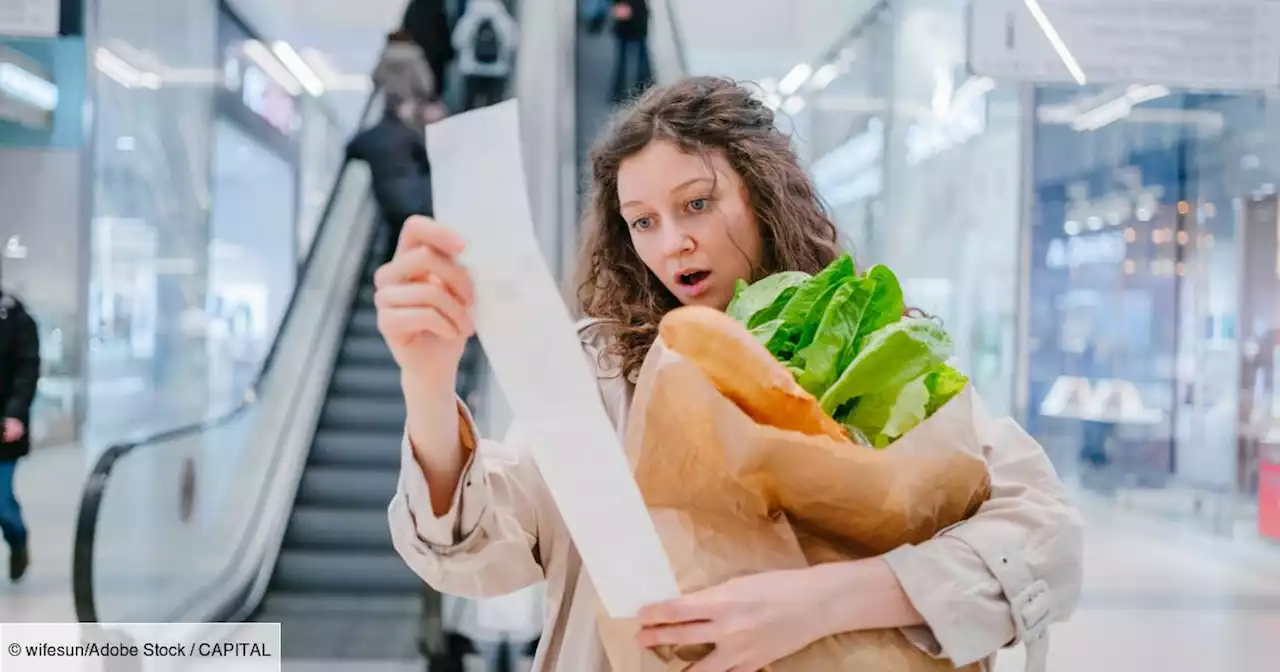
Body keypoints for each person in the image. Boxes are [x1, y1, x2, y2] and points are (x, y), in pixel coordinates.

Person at [381, 77, 1084, 672]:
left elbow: (1043, 537)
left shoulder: (873, 344)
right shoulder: (600, 371)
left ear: (763, 192)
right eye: (642, 221)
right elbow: (479, 552)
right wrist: (427, 385)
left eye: (696, 203)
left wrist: (826, 601)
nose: (673, 241)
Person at [346, 93, 448, 265]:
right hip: (415, 199)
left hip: (388, 200)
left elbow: (350, 149)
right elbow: (428, 160)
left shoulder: (372, 135)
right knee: (414, 236)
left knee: (396, 237)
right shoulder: (407, 134)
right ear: (401, 109)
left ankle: (390, 273)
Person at [0, 289, 39, 583]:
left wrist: (15, 414)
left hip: (4, 428)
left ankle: (17, 538)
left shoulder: (16, 318)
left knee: (1, 502)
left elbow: (27, 370)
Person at [451, 0, 519, 110]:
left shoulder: (470, 15)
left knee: (469, 111)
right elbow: (512, 43)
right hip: (497, 71)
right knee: (494, 111)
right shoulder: (502, 16)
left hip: (471, 71)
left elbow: (457, 41)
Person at [401, 0, 456, 96]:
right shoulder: (438, 5)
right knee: (433, 88)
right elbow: (443, 30)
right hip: (435, 55)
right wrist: (449, 52)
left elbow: (406, 28)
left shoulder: (414, 5)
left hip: (417, 53)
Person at [372, 30, 438, 108]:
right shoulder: (415, 57)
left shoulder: (385, 58)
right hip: (413, 103)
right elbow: (425, 83)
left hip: (390, 103)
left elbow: (376, 78)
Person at [607, 0, 652, 102]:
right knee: (641, 58)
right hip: (638, 20)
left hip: (625, 22)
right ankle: (643, 89)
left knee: (623, 60)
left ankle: (618, 92)